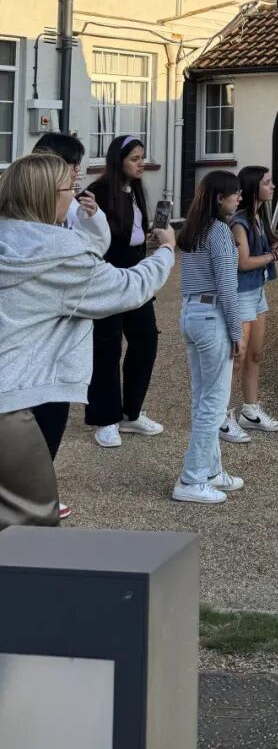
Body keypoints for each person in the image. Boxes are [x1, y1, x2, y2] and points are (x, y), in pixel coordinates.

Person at [0, 153, 173, 530]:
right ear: (48, 196)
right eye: (69, 189)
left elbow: (90, 253)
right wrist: (166, 252)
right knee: (27, 527)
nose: (74, 196)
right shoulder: (59, 255)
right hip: (17, 403)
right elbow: (129, 288)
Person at [30, 132, 111, 517]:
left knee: (53, 410)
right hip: (32, 331)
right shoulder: (24, 208)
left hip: (60, 333)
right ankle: (31, 496)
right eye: (71, 164)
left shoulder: (73, 205)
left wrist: (93, 219)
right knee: (31, 414)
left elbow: (94, 252)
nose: (78, 172)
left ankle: (40, 490)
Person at [84, 135, 164, 447]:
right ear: (119, 161)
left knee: (146, 338)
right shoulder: (98, 192)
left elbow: (132, 232)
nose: (141, 163)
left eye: (142, 157)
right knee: (107, 345)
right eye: (135, 159)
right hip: (108, 277)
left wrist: (149, 239)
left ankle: (131, 411)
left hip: (136, 274)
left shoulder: (135, 190)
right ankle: (105, 418)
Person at [173, 170, 246, 505]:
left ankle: (212, 470)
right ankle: (192, 478)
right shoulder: (219, 231)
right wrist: (236, 330)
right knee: (214, 405)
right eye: (235, 193)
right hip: (211, 316)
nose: (239, 198)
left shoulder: (193, 229)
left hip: (191, 313)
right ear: (220, 198)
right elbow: (227, 286)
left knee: (203, 399)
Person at [219, 166, 278, 443]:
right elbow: (242, 263)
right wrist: (277, 255)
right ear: (254, 187)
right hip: (241, 294)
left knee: (254, 355)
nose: (272, 187)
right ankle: (221, 416)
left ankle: (250, 411)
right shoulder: (239, 222)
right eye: (267, 183)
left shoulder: (258, 217)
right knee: (237, 358)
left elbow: (262, 251)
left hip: (256, 293)